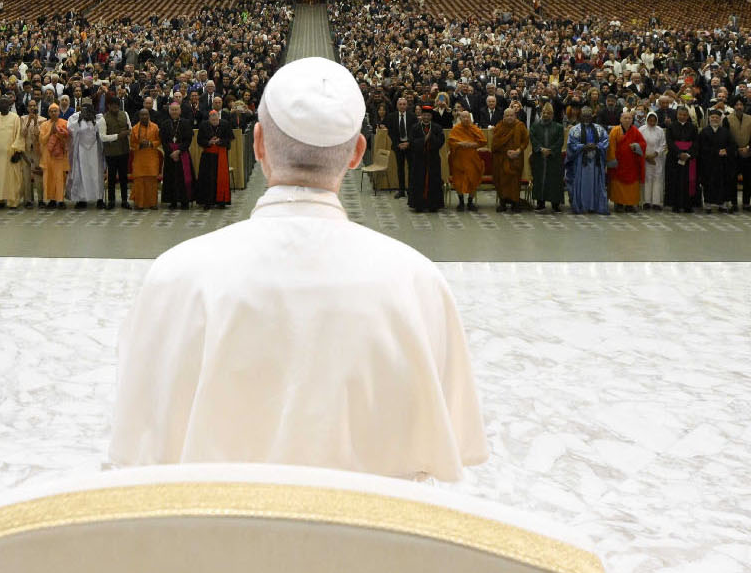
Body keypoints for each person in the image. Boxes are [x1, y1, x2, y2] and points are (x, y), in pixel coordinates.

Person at [110, 56, 486, 481]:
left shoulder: (173, 277)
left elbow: (134, 445)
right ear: (357, 153)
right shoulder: (419, 283)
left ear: (257, 144)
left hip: (216, 540)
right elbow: (451, 447)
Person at [0, 97, 26, 209]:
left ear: (9, 105)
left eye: (5, 104)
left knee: (11, 179)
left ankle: (12, 202)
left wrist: (17, 152)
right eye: (1, 104)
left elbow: (19, 135)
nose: (3, 106)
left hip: (11, 155)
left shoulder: (15, 118)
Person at [487, 100, 528, 212]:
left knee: (515, 181)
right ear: (503, 117)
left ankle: (515, 202)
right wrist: (506, 152)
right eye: (507, 115)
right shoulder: (499, 127)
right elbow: (495, 144)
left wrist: (518, 151)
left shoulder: (520, 126)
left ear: (515, 115)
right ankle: (503, 202)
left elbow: (525, 141)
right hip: (501, 158)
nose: (509, 117)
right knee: (502, 181)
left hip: (516, 158)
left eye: (512, 115)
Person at [404, 109, 445, 213]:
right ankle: (419, 205)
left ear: (431, 116)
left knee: (434, 181)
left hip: (433, 159)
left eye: (428, 115)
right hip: (419, 159)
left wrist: (431, 139)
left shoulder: (437, 127)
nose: (426, 117)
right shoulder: (415, 127)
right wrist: (424, 140)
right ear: (421, 115)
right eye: (424, 115)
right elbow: (412, 142)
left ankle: (433, 205)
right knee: (418, 181)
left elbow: (441, 142)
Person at [528, 101, 565, 212]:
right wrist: (540, 149)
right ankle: (540, 203)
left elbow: (560, 141)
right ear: (541, 113)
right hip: (539, 158)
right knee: (540, 180)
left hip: (554, 158)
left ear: (552, 115)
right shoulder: (535, 126)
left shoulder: (558, 127)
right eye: (544, 113)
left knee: (554, 180)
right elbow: (533, 139)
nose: (546, 115)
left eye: (548, 113)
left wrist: (551, 150)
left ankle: (555, 204)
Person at [446, 110, 486, 212]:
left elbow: (483, 141)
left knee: (473, 180)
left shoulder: (474, 129)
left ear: (470, 118)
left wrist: (473, 145)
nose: (466, 119)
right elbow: (451, 142)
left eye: (468, 117)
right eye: (463, 117)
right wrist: (461, 144)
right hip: (458, 160)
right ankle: (461, 202)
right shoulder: (456, 129)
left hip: (472, 159)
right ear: (460, 118)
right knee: (458, 181)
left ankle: (470, 202)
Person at [193, 108, 234, 209]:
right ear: (209, 119)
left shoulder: (225, 124)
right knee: (207, 179)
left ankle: (221, 201)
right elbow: (199, 140)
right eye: (212, 120)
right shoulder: (204, 125)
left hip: (221, 156)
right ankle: (207, 202)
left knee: (221, 179)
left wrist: (220, 141)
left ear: (218, 119)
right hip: (208, 157)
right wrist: (209, 142)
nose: (215, 122)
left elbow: (230, 139)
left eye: (216, 120)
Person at [159, 102, 196, 210]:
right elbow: (164, 141)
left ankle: (185, 201)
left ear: (180, 111)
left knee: (183, 178)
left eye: (176, 110)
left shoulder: (185, 123)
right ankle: (173, 201)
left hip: (182, 153)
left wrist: (178, 151)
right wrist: (170, 152)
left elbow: (188, 140)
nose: (174, 112)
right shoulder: (165, 123)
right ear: (169, 111)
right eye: (172, 110)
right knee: (171, 178)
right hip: (170, 155)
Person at [695, 109, 733, 213]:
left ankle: (722, 204)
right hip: (708, 163)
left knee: (723, 183)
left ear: (720, 119)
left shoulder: (725, 131)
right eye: (712, 117)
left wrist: (726, 150)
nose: (714, 119)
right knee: (708, 183)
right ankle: (708, 204)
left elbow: (731, 145)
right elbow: (702, 147)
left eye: (717, 117)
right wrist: (716, 152)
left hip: (722, 163)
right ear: (709, 119)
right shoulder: (704, 132)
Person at [606, 110, 644, 213]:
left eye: (629, 118)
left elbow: (643, 143)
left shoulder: (635, 131)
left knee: (632, 186)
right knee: (617, 185)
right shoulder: (615, 131)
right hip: (619, 163)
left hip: (632, 163)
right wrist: (612, 159)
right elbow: (611, 146)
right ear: (620, 119)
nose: (627, 120)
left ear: (632, 120)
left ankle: (630, 204)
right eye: (625, 118)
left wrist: (636, 146)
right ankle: (618, 204)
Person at [68, 107, 106, 209]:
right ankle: (82, 200)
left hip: (95, 151)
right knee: (81, 174)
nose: (87, 113)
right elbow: (71, 129)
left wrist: (91, 119)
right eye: (84, 110)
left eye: (89, 110)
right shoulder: (76, 119)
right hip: (81, 151)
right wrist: (81, 119)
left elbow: (101, 131)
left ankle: (99, 199)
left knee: (96, 175)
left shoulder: (98, 119)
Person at [664, 106, 699, 213]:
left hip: (689, 158)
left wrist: (688, 154)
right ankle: (676, 205)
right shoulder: (671, 127)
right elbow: (669, 142)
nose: (682, 117)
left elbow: (696, 142)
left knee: (688, 181)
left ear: (688, 116)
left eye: (684, 115)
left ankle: (688, 204)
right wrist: (679, 153)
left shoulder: (693, 127)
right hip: (674, 158)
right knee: (675, 181)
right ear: (677, 115)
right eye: (680, 114)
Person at [129, 108, 163, 210]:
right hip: (139, 159)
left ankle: (152, 203)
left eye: (146, 115)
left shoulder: (155, 127)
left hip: (152, 158)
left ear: (149, 116)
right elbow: (132, 144)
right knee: (139, 181)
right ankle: (139, 204)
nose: (144, 117)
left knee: (152, 181)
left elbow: (159, 141)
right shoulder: (134, 129)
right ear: (139, 116)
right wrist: (139, 146)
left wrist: (151, 144)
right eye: (142, 115)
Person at [38, 104, 71, 208]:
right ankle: (52, 200)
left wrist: (59, 134)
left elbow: (68, 139)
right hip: (48, 156)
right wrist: (50, 132)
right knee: (49, 178)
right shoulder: (44, 125)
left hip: (60, 157)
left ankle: (60, 200)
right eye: (51, 111)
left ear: (59, 112)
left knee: (60, 178)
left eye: (55, 111)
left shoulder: (65, 123)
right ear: (48, 113)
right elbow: (42, 140)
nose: (53, 113)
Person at [102, 98, 132, 210]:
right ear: (108, 106)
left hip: (124, 150)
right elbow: (102, 137)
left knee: (124, 177)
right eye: (113, 106)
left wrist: (128, 132)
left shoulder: (125, 114)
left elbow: (130, 128)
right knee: (111, 178)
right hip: (111, 152)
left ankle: (125, 200)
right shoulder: (103, 118)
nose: (115, 108)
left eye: (117, 106)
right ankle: (111, 201)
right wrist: (118, 136)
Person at [638, 110, 667, 210]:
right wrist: (646, 156)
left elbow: (663, 145)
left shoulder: (660, 130)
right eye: (650, 120)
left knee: (657, 179)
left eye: (654, 120)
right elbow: (638, 144)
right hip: (645, 158)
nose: (652, 122)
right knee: (647, 179)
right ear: (647, 120)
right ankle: (646, 201)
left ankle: (656, 202)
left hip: (657, 159)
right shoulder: (641, 129)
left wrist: (654, 154)